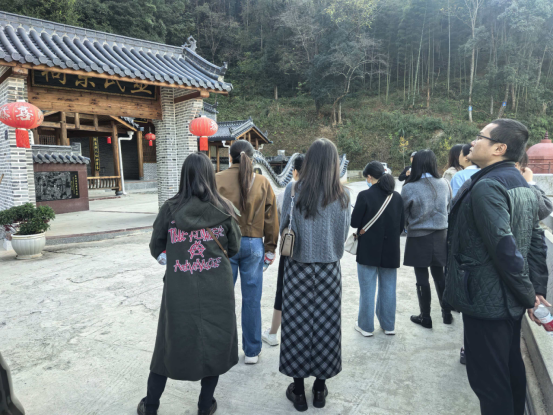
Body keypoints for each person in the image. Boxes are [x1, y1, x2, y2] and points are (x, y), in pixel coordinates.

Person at [444, 119, 550, 415]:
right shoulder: (520, 183)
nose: (473, 142)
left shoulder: (488, 186)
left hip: (486, 300)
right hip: (507, 300)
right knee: (510, 369)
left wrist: (530, 296)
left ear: (499, 148)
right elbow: (536, 242)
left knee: (489, 382)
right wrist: (536, 290)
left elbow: (505, 249)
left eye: (480, 137)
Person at [139, 153, 242, 415]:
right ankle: (205, 405)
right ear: (210, 175)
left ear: (184, 176)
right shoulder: (225, 209)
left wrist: (175, 258)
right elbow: (233, 247)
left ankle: (151, 406)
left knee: (167, 345)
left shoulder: (170, 209)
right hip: (217, 288)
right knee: (214, 343)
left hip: (179, 289)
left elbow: (156, 247)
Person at [279, 138, 350, 411]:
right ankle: (319, 389)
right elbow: (342, 236)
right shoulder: (343, 195)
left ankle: (298, 392)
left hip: (298, 269)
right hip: (329, 270)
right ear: (334, 164)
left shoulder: (294, 190)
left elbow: (285, 228)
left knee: (296, 327)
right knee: (326, 327)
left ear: (308, 160)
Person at [216, 140, 279, 365]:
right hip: (254, 245)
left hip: (224, 245)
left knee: (223, 299)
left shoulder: (217, 179)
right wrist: (270, 248)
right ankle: (252, 351)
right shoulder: (262, 181)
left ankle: (222, 349)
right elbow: (272, 218)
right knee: (252, 300)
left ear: (229, 157)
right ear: (252, 158)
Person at [351, 161, 404, 337]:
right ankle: (388, 325)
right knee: (388, 288)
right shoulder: (396, 197)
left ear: (369, 177)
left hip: (368, 249)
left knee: (367, 289)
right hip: (391, 250)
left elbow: (354, 223)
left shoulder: (364, 195)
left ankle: (366, 327)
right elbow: (401, 226)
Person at [401, 150, 453, 329]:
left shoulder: (409, 187)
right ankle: (447, 314)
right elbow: (449, 208)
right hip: (441, 234)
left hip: (418, 236)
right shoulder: (445, 183)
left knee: (421, 275)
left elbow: (403, 214)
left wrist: (408, 225)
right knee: (439, 274)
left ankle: (425, 317)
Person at [262, 154, 304, 347]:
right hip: (314, 256)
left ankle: (273, 333)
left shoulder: (291, 189)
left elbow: (283, 222)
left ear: (294, 172)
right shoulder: (325, 190)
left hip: (291, 251)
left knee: (283, 292)